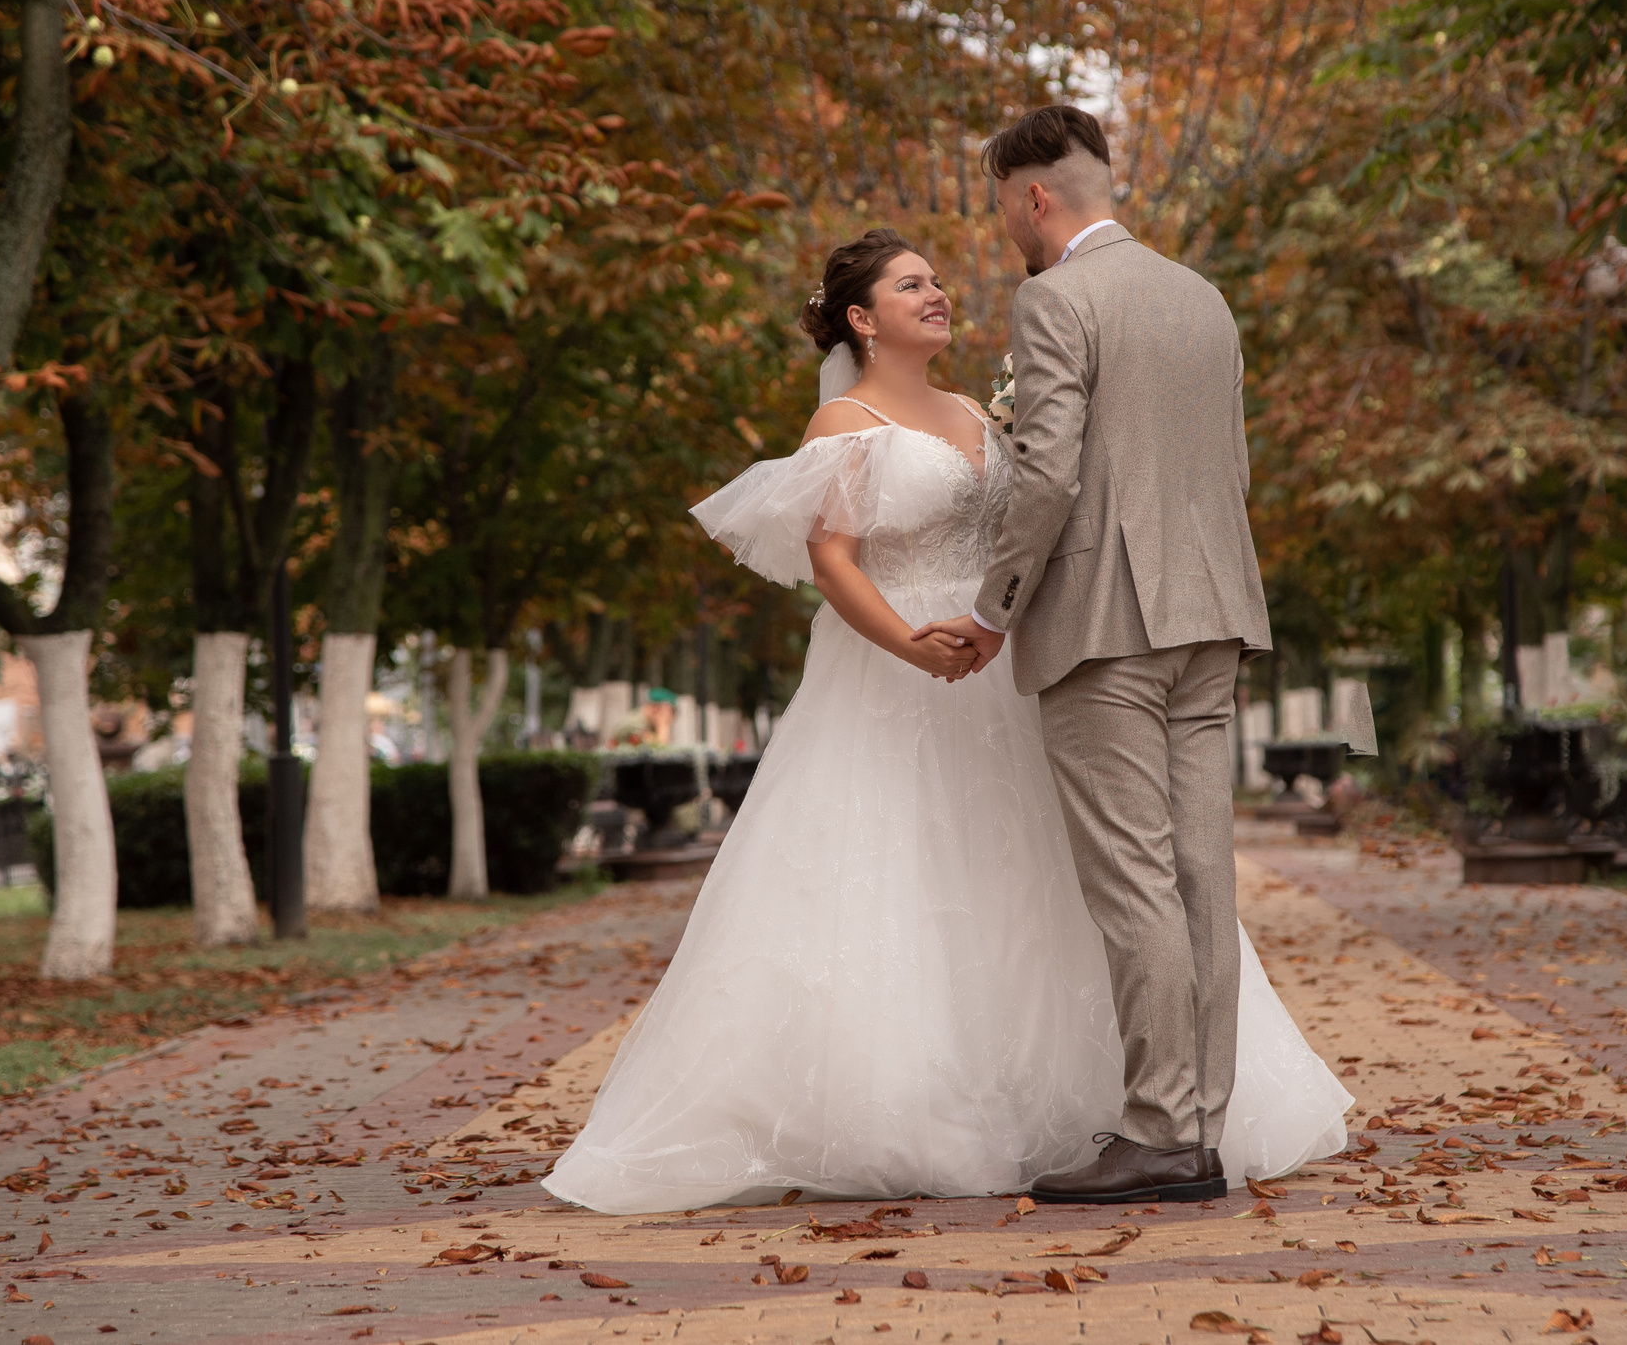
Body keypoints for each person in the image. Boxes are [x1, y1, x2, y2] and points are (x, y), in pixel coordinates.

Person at [544, 182, 1349, 1218]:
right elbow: (832, 560)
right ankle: (927, 1104)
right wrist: (908, 645)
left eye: (936, 280)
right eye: (909, 285)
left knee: (1055, 880)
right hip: (900, 672)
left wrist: (996, 620)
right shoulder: (844, 419)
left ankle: (1129, 1103)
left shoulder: (977, 412)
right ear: (860, 318)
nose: (937, 294)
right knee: (911, 876)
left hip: (1001, 662)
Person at [910, 104, 1272, 1205]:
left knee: (1134, 880)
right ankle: (1200, 1130)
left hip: (1105, 624)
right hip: (1212, 614)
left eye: (1000, 207)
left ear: (1034, 197)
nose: (1003, 228)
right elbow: (1232, 466)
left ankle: (1160, 1129)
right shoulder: (1201, 296)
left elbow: (1050, 470)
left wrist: (995, 606)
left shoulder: (1055, 298)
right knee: (1202, 876)